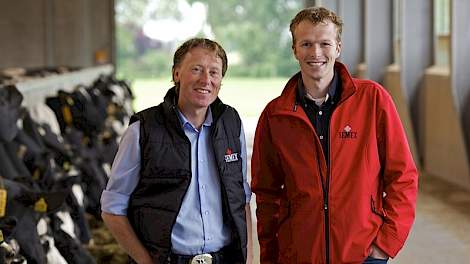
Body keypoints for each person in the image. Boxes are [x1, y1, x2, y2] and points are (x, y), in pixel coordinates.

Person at [251, 7, 418, 264]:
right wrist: (270, 255)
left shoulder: (373, 100)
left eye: (324, 43)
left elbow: (403, 176)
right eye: (306, 44)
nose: (315, 53)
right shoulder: (276, 115)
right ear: (295, 49)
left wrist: (386, 244)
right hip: (298, 255)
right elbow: (266, 193)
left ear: (338, 48)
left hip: (362, 254)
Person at [101, 38, 253, 264]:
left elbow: (241, 198)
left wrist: (248, 257)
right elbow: (113, 210)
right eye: (196, 69)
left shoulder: (231, 123)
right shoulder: (142, 130)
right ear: (176, 74)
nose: (206, 80)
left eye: (214, 72)